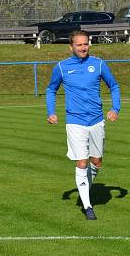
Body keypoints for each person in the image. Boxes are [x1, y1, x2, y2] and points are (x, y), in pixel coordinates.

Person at [46, 30, 121, 220]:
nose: (83, 48)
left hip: (96, 121)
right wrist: (51, 112)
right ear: (71, 47)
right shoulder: (62, 67)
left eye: (85, 44)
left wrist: (115, 108)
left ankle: (84, 188)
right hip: (75, 122)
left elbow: (114, 86)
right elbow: (51, 89)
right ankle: (87, 207)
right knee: (81, 162)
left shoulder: (98, 64)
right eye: (79, 45)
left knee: (96, 162)